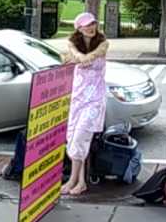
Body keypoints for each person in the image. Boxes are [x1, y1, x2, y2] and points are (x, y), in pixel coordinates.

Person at [61, 12, 109, 195]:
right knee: (74, 137)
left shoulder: (103, 43)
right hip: (77, 97)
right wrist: (73, 56)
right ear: (79, 28)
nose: (91, 28)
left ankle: (72, 180)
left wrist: (75, 57)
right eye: (86, 25)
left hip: (95, 99)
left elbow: (84, 59)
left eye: (93, 24)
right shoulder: (72, 44)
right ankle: (81, 182)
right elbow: (74, 58)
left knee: (80, 136)